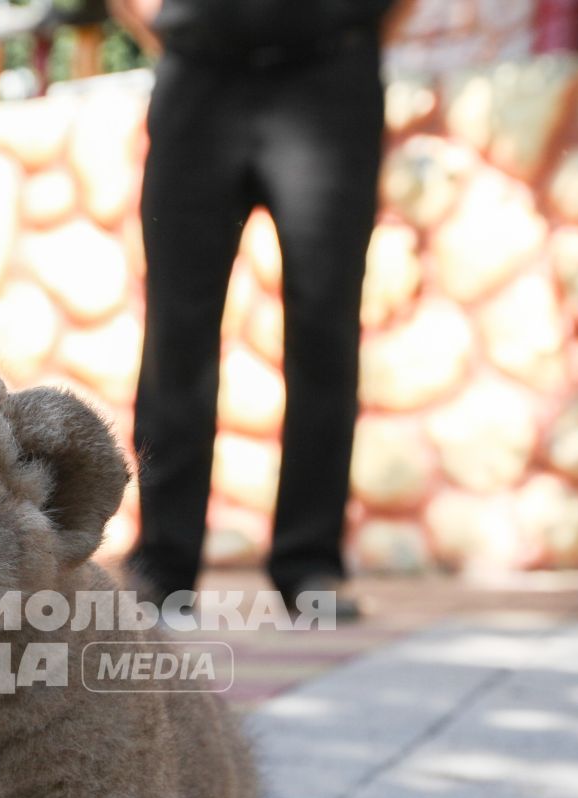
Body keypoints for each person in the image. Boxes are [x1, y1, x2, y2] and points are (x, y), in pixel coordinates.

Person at [110, 0, 399, 621]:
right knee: (176, 334)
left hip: (330, 77)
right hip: (198, 78)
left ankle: (312, 564)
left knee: (325, 327)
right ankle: (161, 566)